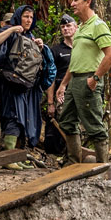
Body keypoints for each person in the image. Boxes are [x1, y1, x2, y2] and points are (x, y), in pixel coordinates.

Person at [57, 0, 111, 164]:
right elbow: (75, 61)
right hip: (74, 80)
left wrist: (95, 79)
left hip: (89, 80)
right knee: (67, 121)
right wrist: (63, 85)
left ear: (87, 2)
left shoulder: (98, 25)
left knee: (94, 126)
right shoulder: (81, 28)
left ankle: (102, 167)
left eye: (76, 0)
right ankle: (73, 163)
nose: (72, 4)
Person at [0, 5, 43, 169]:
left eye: (31, 17)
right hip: (9, 83)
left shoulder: (30, 37)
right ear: (19, 17)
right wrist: (12, 30)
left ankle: (15, 157)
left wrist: (38, 46)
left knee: (21, 119)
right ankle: (7, 158)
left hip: (24, 86)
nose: (28, 20)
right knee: (12, 116)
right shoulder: (10, 31)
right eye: (26, 16)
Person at [43, 13, 74, 157]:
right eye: (62, 27)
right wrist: (50, 102)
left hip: (80, 91)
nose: (65, 29)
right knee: (61, 122)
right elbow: (51, 77)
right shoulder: (55, 50)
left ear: (76, 27)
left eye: (68, 26)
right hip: (61, 92)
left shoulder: (82, 48)